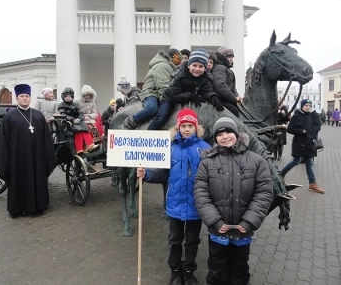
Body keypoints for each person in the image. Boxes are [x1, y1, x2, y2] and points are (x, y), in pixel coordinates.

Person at [194, 117, 273, 285]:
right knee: (217, 268)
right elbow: (201, 193)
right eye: (220, 134)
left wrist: (249, 222)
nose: (225, 136)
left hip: (242, 230)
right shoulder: (207, 162)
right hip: (218, 231)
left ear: (237, 134)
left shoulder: (256, 161)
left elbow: (264, 193)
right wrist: (214, 221)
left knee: (239, 269)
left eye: (229, 132)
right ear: (215, 138)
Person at [137, 109, 210, 285]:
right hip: (175, 204)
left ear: (196, 127)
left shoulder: (206, 149)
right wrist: (146, 174)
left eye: (190, 126)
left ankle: (189, 271)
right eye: (183, 125)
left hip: (195, 205)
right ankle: (175, 271)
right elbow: (162, 175)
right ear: (177, 127)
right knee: (175, 240)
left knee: (192, 241)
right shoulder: (168, 147)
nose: (186, 129)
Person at [0, 84, 56, 217]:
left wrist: (48, 157)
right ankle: (19, 208)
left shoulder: (38, 116)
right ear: (17, 98)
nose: (25, 99)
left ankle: (38, 206)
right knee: (20, 181)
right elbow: (4, 141)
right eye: (22, 96)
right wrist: (5, 162)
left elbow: (46, 139)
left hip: (37, 157)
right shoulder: (10, 117)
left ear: (30, 98)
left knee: (37, 178)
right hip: (17, 159)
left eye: (27, 96)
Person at [148, 49, 224, 130]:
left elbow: (207, 91)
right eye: (194, 65)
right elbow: (175, 95)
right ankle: (149, 135)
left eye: (201, 66)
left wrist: (213, 96)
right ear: (189, 65)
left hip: (190, 98)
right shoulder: (180, 76)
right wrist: (191, 95)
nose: (197, 69)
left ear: (205, 68)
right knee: (161, 117)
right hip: (170, 98)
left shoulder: (206, 78)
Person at [123, 49, 181, 129]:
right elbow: (162, 86)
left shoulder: (169, 67)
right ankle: (132, 120)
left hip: (157, 93)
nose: (179, 62)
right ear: (172, 57)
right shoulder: (163, 65)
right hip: (150, 92)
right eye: (178, 59)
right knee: (152, 108)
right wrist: (166, 101)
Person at [279, 99, 324, 194]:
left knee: (310, 164)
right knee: (296, 161)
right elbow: (290, 129)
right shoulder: (296, 116)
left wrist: (312, 133)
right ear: (302, 106)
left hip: (309, 144)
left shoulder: (310, 116)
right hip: (299, 144)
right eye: (306, 105)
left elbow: (314, 127)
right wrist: (302, 131)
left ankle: (312, 184)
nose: (308, 107)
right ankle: (280, 175)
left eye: (309, 105)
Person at [58, 87, 98, 154]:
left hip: (77, 121)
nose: (68, 98)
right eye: (67, 96)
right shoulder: (61, 105)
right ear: (63, 97)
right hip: (68, 122)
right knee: (79, 129)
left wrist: (80, 118)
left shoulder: (74, 104)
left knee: (85, 128)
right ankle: (81, 147)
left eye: (70, 96)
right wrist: (72, 119)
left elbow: (79, 113)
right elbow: (63, 114)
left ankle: (89, 145)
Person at [211, 47, 242, 117]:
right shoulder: (220, 68)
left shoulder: (226, 69)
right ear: (222, 57)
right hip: (220, 100)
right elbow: (220, 86)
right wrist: (234, 99)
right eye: (228, 57)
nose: (231, 59)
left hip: (226, 99)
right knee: (234, 110)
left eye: (232, 57)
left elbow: (232, 88)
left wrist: (238, 97)